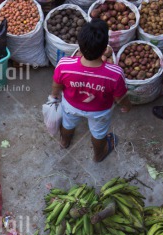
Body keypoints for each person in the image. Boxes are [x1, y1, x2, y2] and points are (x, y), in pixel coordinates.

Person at [50, 19, 131, 162]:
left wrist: (54, 96)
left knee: (68, 123)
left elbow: (57, 84)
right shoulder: (115, 73)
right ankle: (98, 155)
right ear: (104, 49)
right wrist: (126, 106)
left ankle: (64, 142)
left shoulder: (64, 64)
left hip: (70, 105)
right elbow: (120, 97)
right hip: (100, 111)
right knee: (99, 133)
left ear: (79, 46)